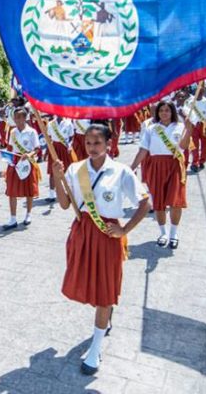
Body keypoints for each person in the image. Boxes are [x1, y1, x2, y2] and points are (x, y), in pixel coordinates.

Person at [51, 123, 150, 375]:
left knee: (105, 290)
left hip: (107, 236)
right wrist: (58, 178)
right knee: (89, 285)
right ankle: (106, 317)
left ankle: (95, 348)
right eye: (88, 142)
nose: (92, 147)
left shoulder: (121, 171)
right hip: (82, 234)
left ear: (109, 144)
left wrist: (124, 230)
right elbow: (64, 204)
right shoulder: (75, 169)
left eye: (97, 143)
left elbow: (144, 203)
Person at [130, 102, 192, 250]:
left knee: (176, 201)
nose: (164, 113)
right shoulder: (151, 129)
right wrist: (132, 167)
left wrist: (189, 129)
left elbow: (183, 147)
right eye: (161, 110)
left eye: (167, 110)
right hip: (156, 166)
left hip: (175, 166)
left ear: (172, 112)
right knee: (159, 202)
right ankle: (163, 233)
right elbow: (143, 150)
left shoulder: (180, 127)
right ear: (157, 113)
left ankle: (173, 234)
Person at [3, 107, 41, 229]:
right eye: (15, 117)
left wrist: (29, 155)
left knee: (29, 190)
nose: (17, 120)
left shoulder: (31, 132)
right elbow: (10, 148)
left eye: (19, 117)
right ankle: (13, 218)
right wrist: (7, 160)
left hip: (28, 163)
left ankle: (28, 214)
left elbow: (37, 149)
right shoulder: (13, 132)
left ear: (25, 118)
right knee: (11, 190)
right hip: (15, 163)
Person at [45, 116, 75, 203]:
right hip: (54, 148)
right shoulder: (50, 124)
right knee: (52, 171)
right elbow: (49, 137)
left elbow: (71, 137)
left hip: (65, 148)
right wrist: (48, 150)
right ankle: (51, 195)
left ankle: (70, 193)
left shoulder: (68, 123)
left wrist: (70, 146)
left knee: (67, 170)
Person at [185, 89, 206, 172]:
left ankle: (202, 161)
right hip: (194, 125)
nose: (199, 93)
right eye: (198, 92)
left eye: (201, 92)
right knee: (194, 144)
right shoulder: (190, 102)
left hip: (204, 124)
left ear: (203, 92)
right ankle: (195, 162)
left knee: (204, 144)